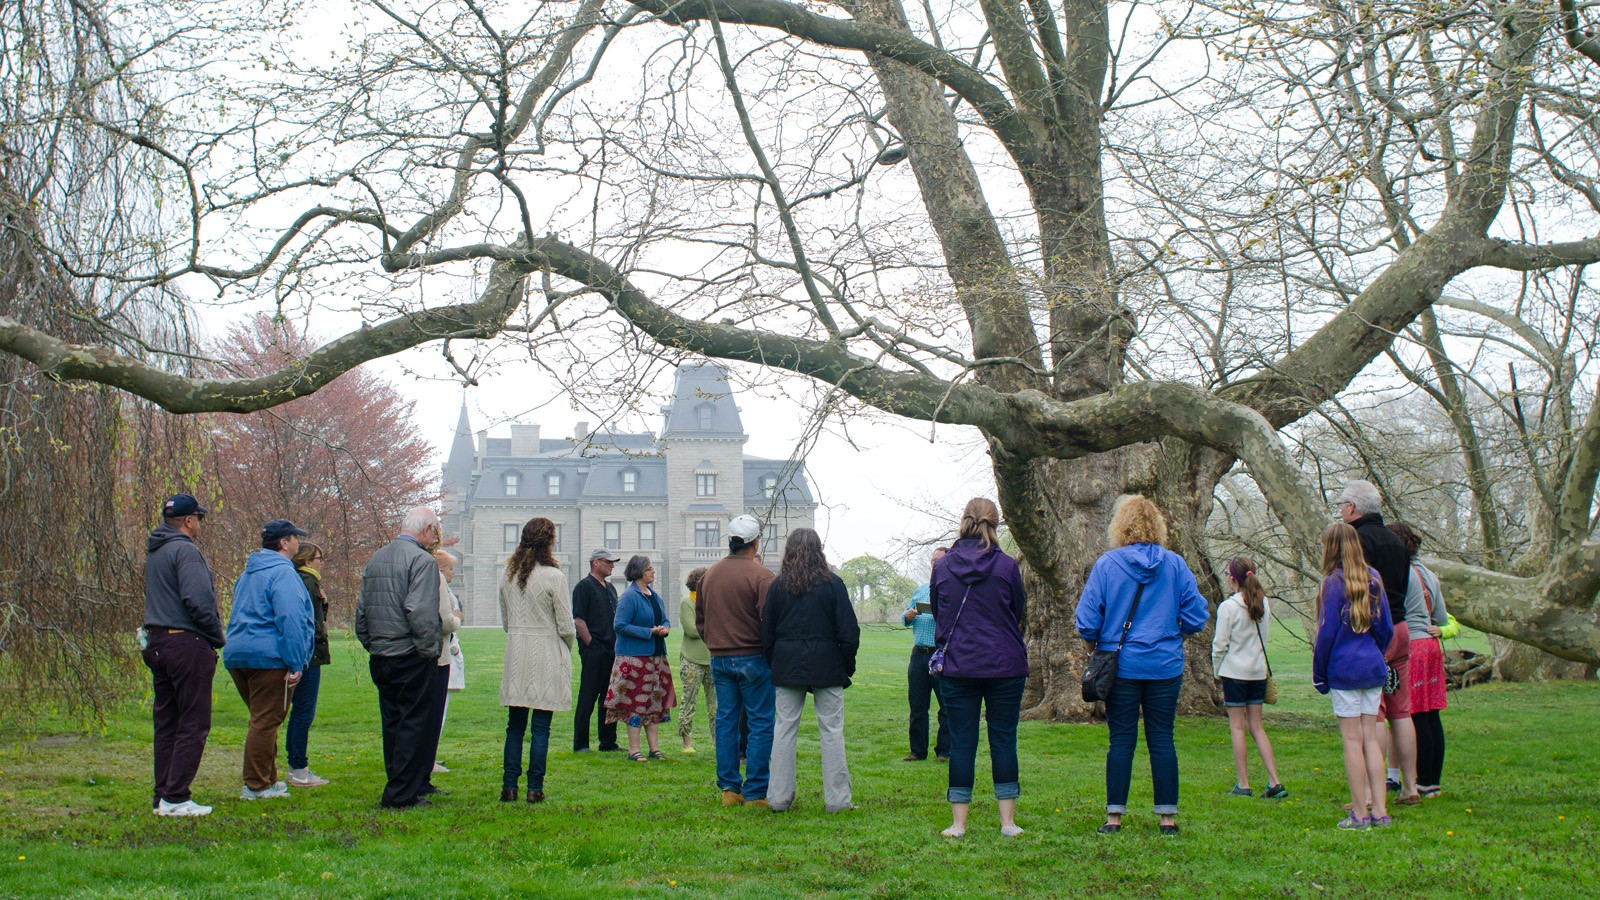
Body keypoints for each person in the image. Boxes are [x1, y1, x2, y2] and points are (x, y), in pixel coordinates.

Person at [1076, 495, 1210, 837]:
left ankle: (1114, 817)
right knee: (1162, 739)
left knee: (1121, 740)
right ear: (1158, 526)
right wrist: (1171, 633)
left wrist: (1103, 639)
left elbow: (1087, 621)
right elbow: (1197, 616)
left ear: (1120, 527)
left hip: (1120, 665)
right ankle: (1167, 818)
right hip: (1164, 665)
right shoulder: (1175, 565)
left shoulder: (1107, 565)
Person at [931, 498, 1030, 838]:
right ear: (995, 522)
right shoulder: (1006, 566)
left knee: (961, 742)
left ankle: (958, 824)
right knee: (1003, 740)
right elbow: (1018, 612)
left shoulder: (942, 567)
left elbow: (940, 612)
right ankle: (1008, 823)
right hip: (1004, 663)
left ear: (963, 521)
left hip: (958, 664)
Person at [761, 528, 859, 813]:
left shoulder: (779, 586)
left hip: (790, 663)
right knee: (831, 731)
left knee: (784, 729)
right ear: (819, 549)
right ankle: (838, 800)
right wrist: (845, 664)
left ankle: (778, 797)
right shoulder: (832, 584)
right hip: (826, 662)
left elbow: (766, 633)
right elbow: (849, 632)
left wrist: (776, 663)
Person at [355, 506, 444, 809]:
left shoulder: (376, 558)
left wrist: (371, 643)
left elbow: (362, 611)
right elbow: (419, 612)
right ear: (427, 529)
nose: (436, 538)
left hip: (381, 654)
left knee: (392, 723)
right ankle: (401, 794)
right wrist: (429, 651)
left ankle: (398, 783)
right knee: (414, 724)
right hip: (409, 653)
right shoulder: (422, 561)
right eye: (436, 531)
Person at [142, 493, 226, 817]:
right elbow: (198, 601)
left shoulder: (157, 552)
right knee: (193, 722)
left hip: (159, 643)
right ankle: (177, 798)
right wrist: (216, 637)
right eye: (199, 518)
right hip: (186, 643)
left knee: (167, 723)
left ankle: (163, 796)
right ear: (189, 521)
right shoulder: (185, 551)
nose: (200, 524)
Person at [222, 519, 315, 801]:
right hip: (268, 657)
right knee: (265, 721)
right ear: (284, 543)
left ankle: (268, 779)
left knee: (263, 719)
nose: (298, 543)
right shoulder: (283, 573)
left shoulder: (248, 573)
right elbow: (291, 619)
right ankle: (256, 786)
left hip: (239, 654)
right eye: (295, 538)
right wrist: (296, 662)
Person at [1338, 479, 1419, 804]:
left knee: (1374, 713)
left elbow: (1352, 590)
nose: (1341, 509)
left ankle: (1372, 792)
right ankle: (1410, 787)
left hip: (1373, 632)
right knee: (1402, 711)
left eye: (1343, 504)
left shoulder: (1356, 540)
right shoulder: (1396, 542)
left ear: (1353, 508)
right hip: (1400, 627)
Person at [1312, 521, 1395, 830]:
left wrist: (1319, 673)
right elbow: (1385, 628)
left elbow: (1326, 634)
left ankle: (1360, 812)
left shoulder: (1332, 583)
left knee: (1352, 740)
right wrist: (1375, 653)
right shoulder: (1374, 579)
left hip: (1345, 669)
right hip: (1371, 667)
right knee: (1370, 737)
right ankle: (1380, 811)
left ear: (1330, 548)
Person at [699, 514, 777, 807]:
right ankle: (757, 792)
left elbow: (701, 621)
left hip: (720, 657)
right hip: (753, 657)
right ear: (755, 542)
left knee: (726, 721)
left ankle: (729, 790)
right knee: (759, 722)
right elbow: (769, 624)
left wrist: (717, 645)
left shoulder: (709, 574)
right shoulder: (762, 576)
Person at [499, 518, 576, 802]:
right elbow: (566, 625)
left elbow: (507, 621)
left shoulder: (507, 576)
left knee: (515, 726)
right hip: (546, 651)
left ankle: (509, 786)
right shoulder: (554, 577)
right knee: (541, 727)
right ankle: (534, 788)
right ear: (550, 542)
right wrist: (565, 645)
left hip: (517, 652)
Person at [1210, 556, 1286, 799]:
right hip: (1257, 672)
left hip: (1234, 673)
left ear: (1232, 580)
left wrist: (1216, 670)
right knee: (1257, 726)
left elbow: (1220, 645)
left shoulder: (1228, 608)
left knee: (1237, 727)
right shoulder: (1263, 604)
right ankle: (1274, 780)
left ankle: (1243, 783)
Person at [1389, 521, 1450, 799]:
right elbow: (1440, 619)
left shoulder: (1399, 572)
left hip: (1411, 646)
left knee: (1413, 715)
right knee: (1431, 714)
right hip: (1431, 646)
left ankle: (1418, 779)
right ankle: (1432, 780)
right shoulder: (1429, 574)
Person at [605, 554, 676, 761]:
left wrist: (665, 627)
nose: (653, 571)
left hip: (656, 658)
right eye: (649, 569)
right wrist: (649, 632)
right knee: (635, 704)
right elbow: (620, 625)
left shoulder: (654, 595)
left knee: (654, 704)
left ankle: (654, 749)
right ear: (638, 572)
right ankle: (633, 750)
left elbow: (664, 618)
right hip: (634, 659)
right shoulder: (629, 596)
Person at [286, 541, 332, 787]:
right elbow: (311, 623)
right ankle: (298, 766)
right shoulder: (308, 582)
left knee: (298, 711)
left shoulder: (300, 581)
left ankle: (294, 763)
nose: (321, 562)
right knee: (304, 711)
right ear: (307, 560)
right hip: (308, 656)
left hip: (305, 654)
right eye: (318, 558)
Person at [572, 548, 623, 753]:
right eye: (608, 562)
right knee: (588, 697)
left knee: (609, 698)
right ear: (595, 563)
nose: (612, 565)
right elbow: (578, 619)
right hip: (594, 650)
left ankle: (608, 742)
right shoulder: (583, 587)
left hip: (612, 650)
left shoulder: (610, 589)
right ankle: (581, 744)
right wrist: (591, 644)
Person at [902, 548, 950, 763]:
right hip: (919, 655)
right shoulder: (921, 590)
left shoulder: (951, 591)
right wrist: (909, 615)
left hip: (941, 655)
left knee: (946, 706)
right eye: (933, 561)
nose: (934, 564)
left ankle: (944, 751)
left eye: (939, 561)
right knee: (917, 706)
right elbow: (905, 619)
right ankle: (917, 751)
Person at [427, 549, 464, 778]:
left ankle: (429, 754)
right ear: (441, 569)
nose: (453, 573)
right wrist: (458, 618)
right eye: (450, 568)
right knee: (437, 710)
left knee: (439, 709)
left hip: (447, 650)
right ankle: (428, 759)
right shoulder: (438, 583)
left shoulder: (443, 585)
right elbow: (446, 621)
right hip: (441, 653)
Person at [677, 567, 714, 754]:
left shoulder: (713, 603)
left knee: (715, 706)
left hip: (712, 660)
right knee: (689, 702)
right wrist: (714, 627)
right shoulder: (687, 603)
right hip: (691, 660)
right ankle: (686, 742)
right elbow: (692, 630)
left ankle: (718, 743)